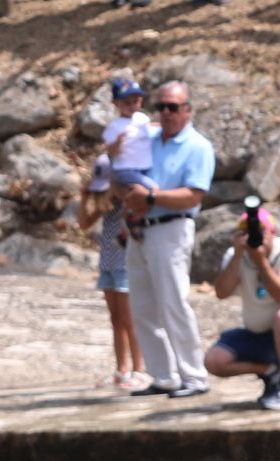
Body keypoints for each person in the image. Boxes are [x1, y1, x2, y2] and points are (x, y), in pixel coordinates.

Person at [119, 81, 214, 400]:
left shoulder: (198, 146)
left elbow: (194, 194)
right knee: (143, 306)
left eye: (173, 107)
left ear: (187, 110)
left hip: (171, 229)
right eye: (161, 107)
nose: (166, 113)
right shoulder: (148, 141)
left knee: (174, 303)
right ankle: (164, 376)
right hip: (139, 229)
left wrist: (152, 195)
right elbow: (124, 175)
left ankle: (194, 376)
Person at [204, 203, 280, 411]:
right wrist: (239, 256)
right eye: (247, 233)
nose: (254, 237)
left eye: (260, 232)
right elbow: (222, 292)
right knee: (214, 361)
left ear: (273, 233)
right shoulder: (235, 255)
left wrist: (262, 263)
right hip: (259, 334)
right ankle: (271, 371)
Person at [75, 154, 145, 389]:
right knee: (116, 319)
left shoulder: (131, 201)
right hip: (108, 263)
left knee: (129, 319)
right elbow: (84, 223)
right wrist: (85, 198)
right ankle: (121, 369)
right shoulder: (109, 205)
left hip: (126, 263)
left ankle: (139, 369)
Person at [99, 77, 152, 242]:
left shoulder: (143, 119)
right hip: (126, 169)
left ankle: (127, 224)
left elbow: (151, 132)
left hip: (144, 166)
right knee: (152, 190)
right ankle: (132, 220)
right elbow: (111, 152)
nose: (131, 106)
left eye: (135, 101)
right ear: (115, 103)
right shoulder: (114, 127)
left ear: (141, 101)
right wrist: (118, 142)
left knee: (140, 196)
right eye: (126, 102)